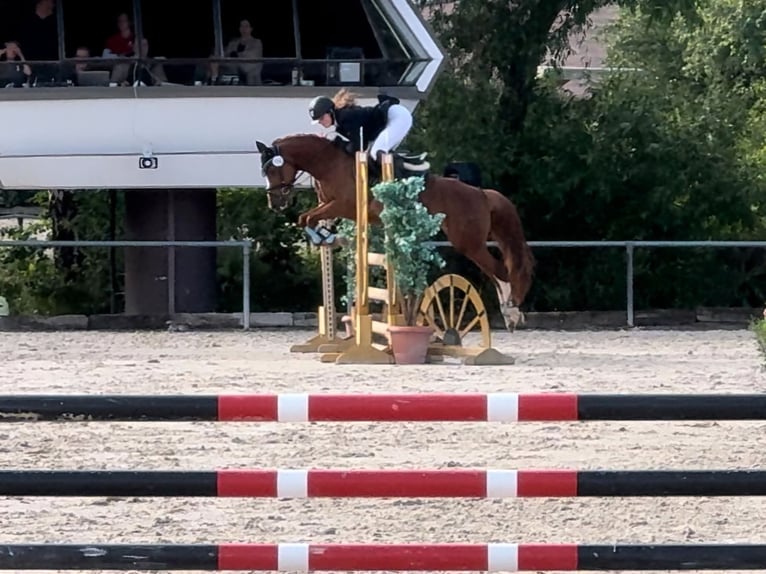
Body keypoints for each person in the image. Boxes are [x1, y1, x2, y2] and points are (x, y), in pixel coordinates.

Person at [308, 89, 413, 178]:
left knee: (376, 151)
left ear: (330, 112)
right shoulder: (341, 120)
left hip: (396, 116)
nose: (321, 122)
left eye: (322, 118)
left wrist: (334, 143)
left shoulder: (345, 117)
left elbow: (358, 146)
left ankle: (399, 183)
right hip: (391, 119)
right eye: (318, 121)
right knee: (376, 152)